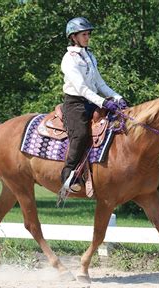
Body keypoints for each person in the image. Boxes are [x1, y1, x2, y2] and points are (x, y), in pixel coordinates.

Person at [60, 17, 127, 193]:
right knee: (81, 134)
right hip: (75, 104)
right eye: (84, 34)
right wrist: (103, 102)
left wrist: (117, 97)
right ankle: (68, 175)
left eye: (88, 34)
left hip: (92, 102)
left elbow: (99, 84)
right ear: (73, 37)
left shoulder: (90, 56)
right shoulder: (69, 59)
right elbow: (81, 88)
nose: (87, 37)